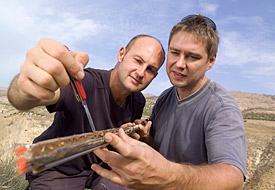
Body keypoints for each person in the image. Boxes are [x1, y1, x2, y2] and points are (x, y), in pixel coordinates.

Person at [91, 14, 247, 190]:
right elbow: (157, 145)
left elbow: (234, 177)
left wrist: (166, 175)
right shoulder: (166, 97)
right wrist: (145, 137)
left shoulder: (221, 107)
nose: (179, 64)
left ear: (210, 61)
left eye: (192, 57)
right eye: (174, 52)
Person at [7, 35, 165, 189]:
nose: (141, 72)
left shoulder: (138, 101)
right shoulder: (87, 83)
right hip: (58, 171)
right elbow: (22, 98)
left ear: (155, 76)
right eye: (138, 60)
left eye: (150, 69)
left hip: (100, 171)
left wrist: (140, 136)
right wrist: (24, 87)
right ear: (121, 54)